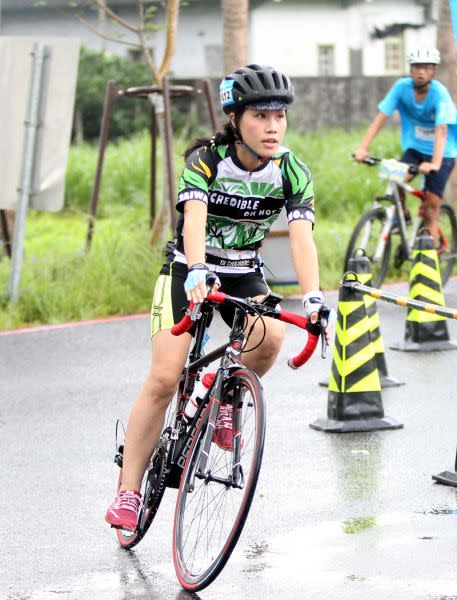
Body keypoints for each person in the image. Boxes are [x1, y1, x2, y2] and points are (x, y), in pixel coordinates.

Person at [105, 64, 330, 531]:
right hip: (190, 267)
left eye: (280, 117)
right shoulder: (208, 160)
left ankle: (226, 399)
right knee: (166, 377)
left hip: (244, 270)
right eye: (261, 116)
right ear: (236, 119)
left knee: (268, 337)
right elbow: (194, 218)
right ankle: (128, 492)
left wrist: (313, 297)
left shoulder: (292, 171)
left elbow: (302, 238)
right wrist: (198, 270)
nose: (273, 127)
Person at [352, 46, 457, 244]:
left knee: (430, 208)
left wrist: (435, 164)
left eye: (427, 68)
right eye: (417, 67)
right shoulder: (401, 88)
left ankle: (431, 263)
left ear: (434, 71)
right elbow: (381, 118)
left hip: (442, 153)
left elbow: (441, 130)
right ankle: (402, 215)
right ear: (410, 69)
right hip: (415, 149)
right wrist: (363, 147)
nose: (421, 72)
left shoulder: (440, 94)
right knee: (395, 177)